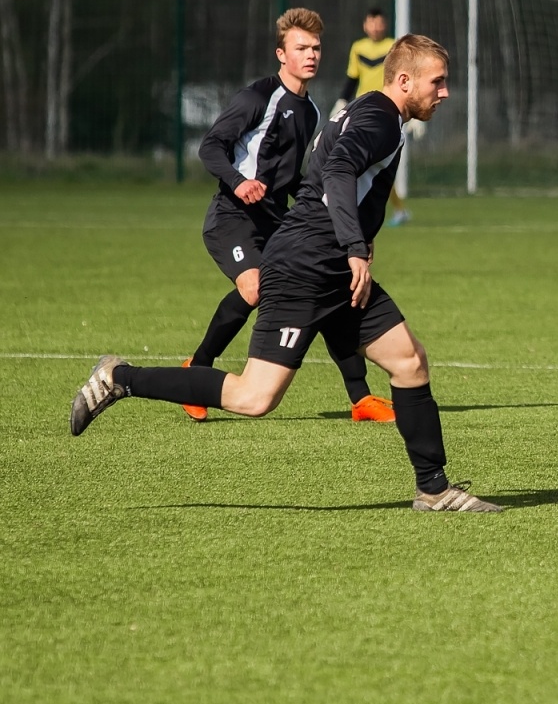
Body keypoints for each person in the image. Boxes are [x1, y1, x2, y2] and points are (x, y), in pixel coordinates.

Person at [70, 35, 500, 513]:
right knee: (254, 397)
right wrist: (355, 245)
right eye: (437, 82)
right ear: (404, 80)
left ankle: (434, 490)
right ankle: (120, 378)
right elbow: (337, 172)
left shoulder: (369, 111)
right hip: (307, 265)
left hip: (332, 265)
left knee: (410, 362)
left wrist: (359, 239)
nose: (444, 92)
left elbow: (331, 179)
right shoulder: (379, 117)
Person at [189, 8, 393, 423]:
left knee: (324, 289)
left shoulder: (314, 112)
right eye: (301, 48)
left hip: (276, 221)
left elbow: (308, 177)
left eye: (316, 48)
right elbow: (211, 146)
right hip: (234, 216)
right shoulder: (256, 98)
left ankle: (361, 399)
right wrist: (237, 181)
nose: (311, 55)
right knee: (256, 288)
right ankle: (197, 370)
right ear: (281, 54)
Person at [339, 8, 412, 228]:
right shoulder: (358, 47)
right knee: (367, 164)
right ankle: (390, 211)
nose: (376, 27)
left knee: (376, 164)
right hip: (361, 111)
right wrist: (342, 102)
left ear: (385, 25)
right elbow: (352, 78)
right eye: (372, 23)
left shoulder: (393, 46)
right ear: (365, 25)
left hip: (386, 111)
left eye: (379, 23)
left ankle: (386, 211)